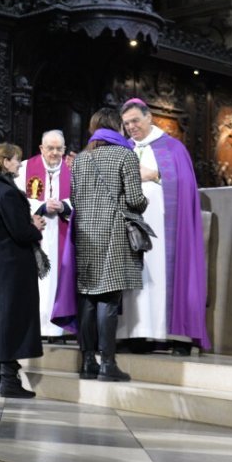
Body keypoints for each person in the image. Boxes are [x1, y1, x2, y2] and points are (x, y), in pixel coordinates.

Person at [118, 99, 208, 354]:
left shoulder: (172, 148)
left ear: (149, 118)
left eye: (135, 120)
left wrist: (154, 175)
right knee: (137, 279)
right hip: (130, 228)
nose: (132, 127)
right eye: (127, 124)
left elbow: (184, 185)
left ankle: (171, 335)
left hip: (164, 230)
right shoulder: (124, 148)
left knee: (160, 277)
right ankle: (135, 334)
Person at [70, 108, 147, 382]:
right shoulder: (125, 155)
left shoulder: (80, 159)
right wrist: (143, 204)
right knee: (109, 299)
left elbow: (75, 200)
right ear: (117, 128)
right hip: (114, 232)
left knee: (89, 298)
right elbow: (136, 199)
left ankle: (88, 361)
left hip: (86, 233)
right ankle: (108, 364)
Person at [0, 144, 46, 397]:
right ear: (5, 162)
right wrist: (36, 226)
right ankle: (7, 380)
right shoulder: (7, 192)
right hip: (12, 264)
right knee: (11, 318)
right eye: (17, 160)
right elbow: (19, 231)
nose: (20, 164)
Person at [15, 130, 72, 340]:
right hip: (35, 231)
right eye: (50, 148)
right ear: (41, 148)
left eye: (59, 149)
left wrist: (64, 205)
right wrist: (41, 205)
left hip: (62, 233)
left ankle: (58, 329)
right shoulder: (24, 168)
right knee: (36, 279)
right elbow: (16, 199)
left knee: (59, 279)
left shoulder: (72, 169)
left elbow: (83, 199)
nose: (55, 153)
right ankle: (35, 327)